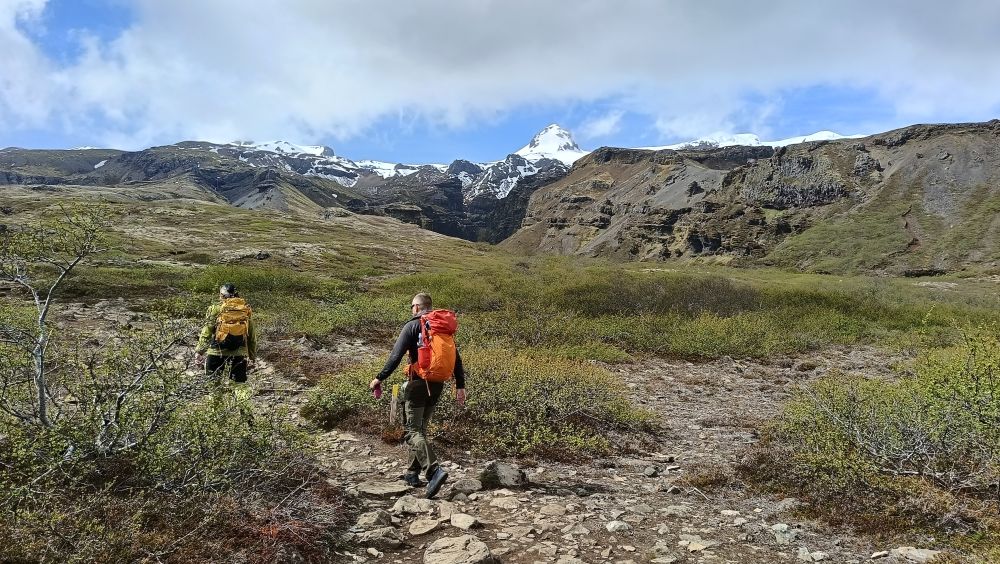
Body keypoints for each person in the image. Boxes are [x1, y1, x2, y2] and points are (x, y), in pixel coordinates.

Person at [370, 292, 466, 499]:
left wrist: (379, 378)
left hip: (417, 384)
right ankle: (412, 473)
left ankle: (433, 471)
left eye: (411, 306)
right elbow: (456, 359)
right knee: (420, 429)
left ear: (416, 307)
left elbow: (395, 356)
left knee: (411, 432)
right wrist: (460, 385)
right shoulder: (442, 328)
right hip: (438, 384)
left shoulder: (412, 325)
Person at [195, 283, 257, 383]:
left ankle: (215, 399)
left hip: (216, 352)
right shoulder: (245, 309)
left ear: (222, 295)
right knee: (240, 386)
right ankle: (242, 399)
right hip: (239, 354)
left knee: (213, 386)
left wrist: (199, 351)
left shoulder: (215, 309)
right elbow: (251, 336)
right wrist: (252, 356)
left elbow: (206, 332)